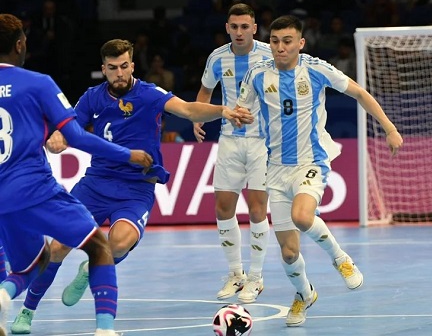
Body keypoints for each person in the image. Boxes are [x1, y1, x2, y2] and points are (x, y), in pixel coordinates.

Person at [10, 38, 253, 334]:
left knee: (119, 243)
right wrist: (58, 139)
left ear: (133, 65)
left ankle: (90, 270)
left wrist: (222, 111)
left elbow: (189, 109)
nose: (119, 73)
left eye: (124, 66)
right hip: (95, 184)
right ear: (104, 69)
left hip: (136, 188)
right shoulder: (91, 97)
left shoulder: (149, 94)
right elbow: (68, 129)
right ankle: (26, 313)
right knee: (58, 246)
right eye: (112, 68)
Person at [235, 15, 403, 327]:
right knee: (288, 253)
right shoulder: (257, 74)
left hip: (310, 162)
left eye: (287, 41)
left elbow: (360, 94)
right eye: (274, 41)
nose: (280, 47)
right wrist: (238, 117)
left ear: (300, 43)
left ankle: (341, 259)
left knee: (303, 216)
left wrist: (389, 129)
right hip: (275, 169)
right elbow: (241, 110)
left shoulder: (315, 69)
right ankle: (304, 294)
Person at [0, 13, 154, 336]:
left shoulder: (147, 94)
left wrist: (56, 136)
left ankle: (5, 296)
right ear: (19, 44)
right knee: (98, 246)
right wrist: (129, 155)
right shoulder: (38, 83)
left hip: (3, 200)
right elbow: (80, 137)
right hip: (35, 191)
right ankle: (105, 330)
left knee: (32, 263)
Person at [192, 3, 272, 304]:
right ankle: (236, 274)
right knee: (223, 207)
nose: (239, 32)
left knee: (257, 210)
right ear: (227, 28)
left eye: (245, 26)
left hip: (262, 143)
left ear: (254, 28)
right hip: (229, 140)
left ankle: (256, 277)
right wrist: (198, 118)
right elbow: (204, 91)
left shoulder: (268, 55)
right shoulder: (217, 57)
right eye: (234, 26)